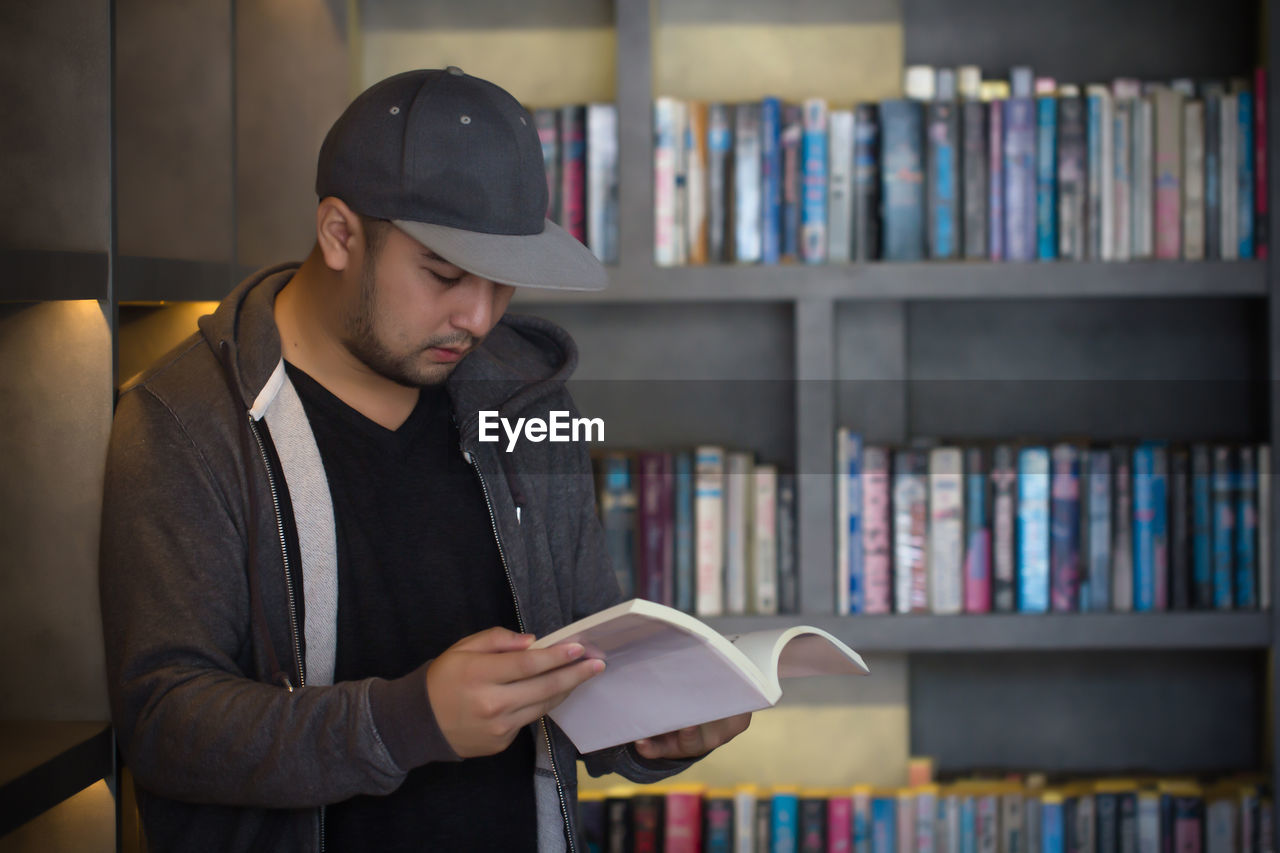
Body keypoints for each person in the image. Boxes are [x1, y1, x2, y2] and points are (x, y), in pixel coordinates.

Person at [99, 67, 750, 853]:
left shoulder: (527, 401)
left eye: (502, 283)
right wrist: (409, 720)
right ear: (340, 233)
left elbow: (579, 650)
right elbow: (166, 725)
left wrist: (652, 725)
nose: (478, 316)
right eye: (442, 274)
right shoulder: (187, 424)